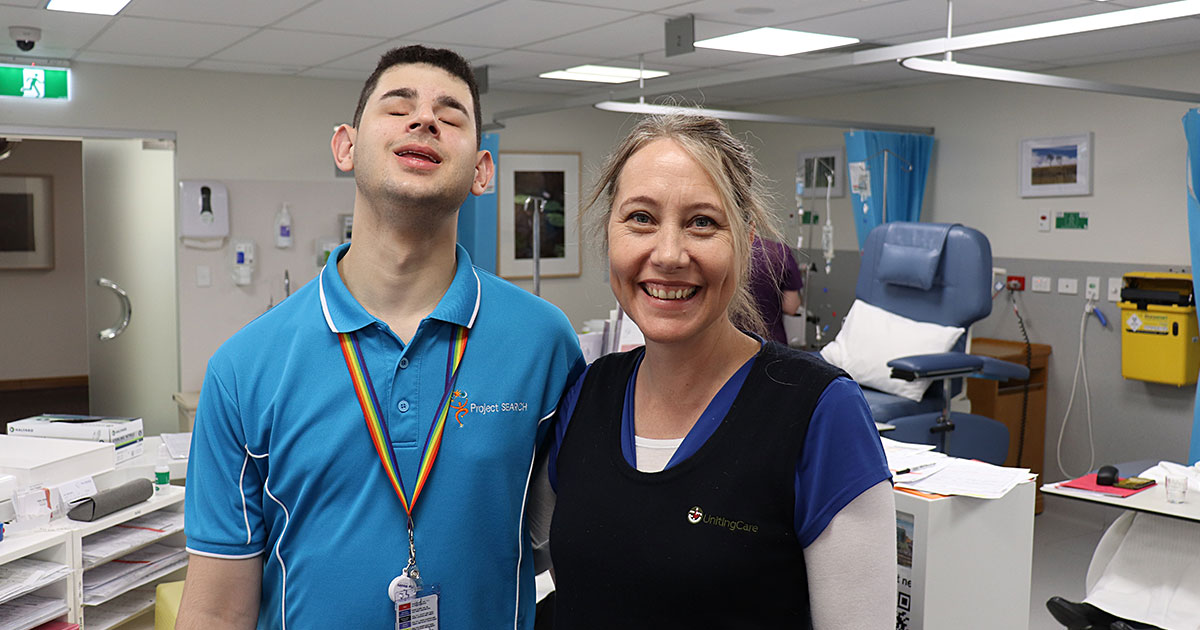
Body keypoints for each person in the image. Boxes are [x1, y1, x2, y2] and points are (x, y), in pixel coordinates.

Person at [177, 45, 583, 629]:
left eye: (452, 113)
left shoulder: (544, 344)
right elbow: (216, 610)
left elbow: (568, 537)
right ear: (345, 146)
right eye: (399, 107)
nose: (425, 120)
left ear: (482, 171)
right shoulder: (245, 368)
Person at [537, 114, 895, 628]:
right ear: (609, 233)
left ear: (746, 242)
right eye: (640, 217)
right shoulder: (588, 392)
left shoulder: (818, 410)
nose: (668, 254)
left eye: (702, 222)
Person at [748, 235, 804, 345]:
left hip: (724, 345)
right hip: (769, 343)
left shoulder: (721, 251)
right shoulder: (779, 252)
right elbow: (790, 307)